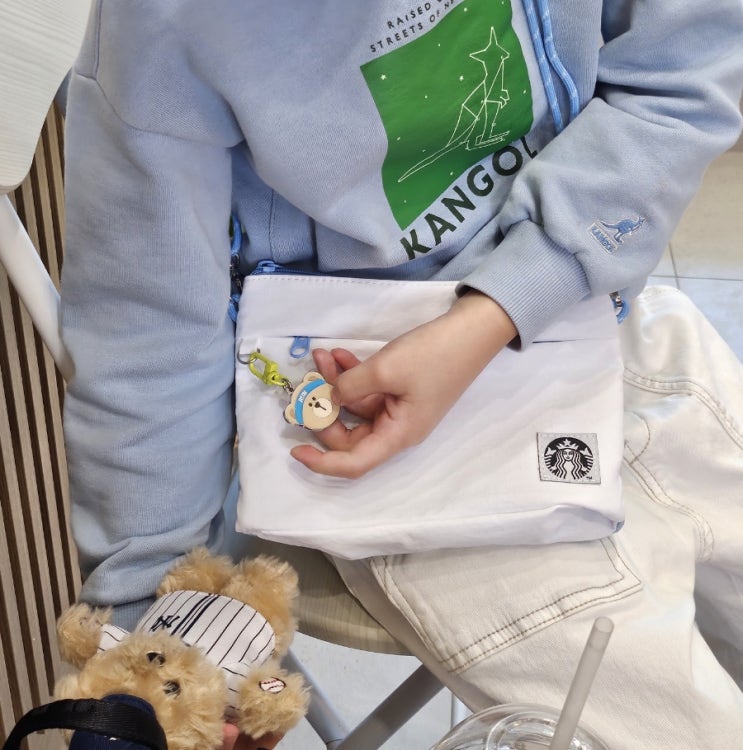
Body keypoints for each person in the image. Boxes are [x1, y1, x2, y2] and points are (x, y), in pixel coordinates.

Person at [59, 1, 743, 748]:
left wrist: (499, 308)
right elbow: (148, 333)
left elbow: (684, 70)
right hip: (384, 449)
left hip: (604, 315)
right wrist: (150, 635)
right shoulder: (163, 29)